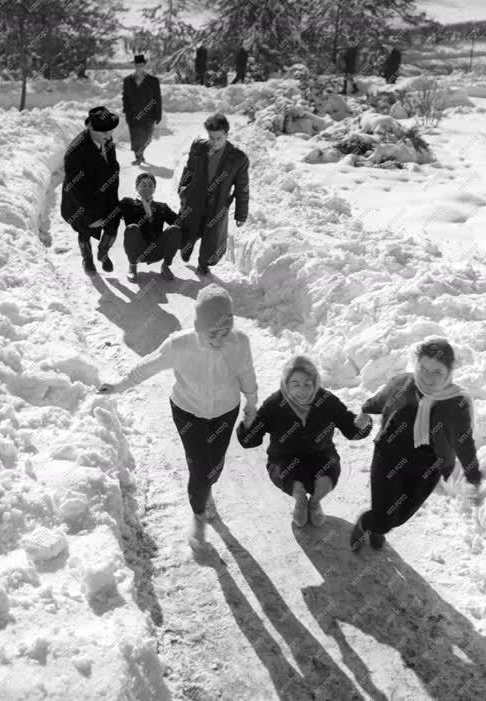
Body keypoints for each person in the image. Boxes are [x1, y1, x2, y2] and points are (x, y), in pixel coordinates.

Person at [98, 284, 258, 548]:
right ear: (199, 327)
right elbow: (147, 365)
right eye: (213, 333)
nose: (220, 339)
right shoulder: (179, 345)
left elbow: (247, 374)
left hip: (225, 413)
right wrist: (119, 386)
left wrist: (251, 403)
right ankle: (198, 520)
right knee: (199, 468)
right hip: (187, 412)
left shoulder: (239, 343)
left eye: (225, 331)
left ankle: (206, 491)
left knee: (214, 468)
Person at [350, 337, 483, 553]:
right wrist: (365, 411)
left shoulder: (455, 403)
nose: (428, 377)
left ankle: (380, 525)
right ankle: (367, 524)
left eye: (437, 372)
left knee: (400, 516)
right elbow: (380, 399)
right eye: (423, 368)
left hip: (427, 468)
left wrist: (473, 476)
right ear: (416, 363)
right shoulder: (401, 384)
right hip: (388, 457)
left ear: (449, 373)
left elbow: (464, 442)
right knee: (383, 517)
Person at [237, 356, 372, 528]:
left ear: (315, 382)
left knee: (326, 476)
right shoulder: (274, 404)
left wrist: (361, 425)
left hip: (321, 455)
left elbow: (350, 429)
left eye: (308, 384)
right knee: (294, 482)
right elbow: (249, 441)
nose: (302, 390)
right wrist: (248, 424)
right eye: (295, 384)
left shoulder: (327, 400)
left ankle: (315, 503)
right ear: (286, 383)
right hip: (284, 459)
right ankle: (300, 500)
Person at [177, 113, 249, 276]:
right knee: (190, 229)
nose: (215, 142)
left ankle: (203, 264)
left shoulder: (238, 158)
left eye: (219, 138)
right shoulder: (199, 147)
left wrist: (241, 214)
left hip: (217, 205)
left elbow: (242, 188)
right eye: (211, 138)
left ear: (227, 134)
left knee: (211, 238)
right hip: (195, 198)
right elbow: (188, 169)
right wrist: (182, 188)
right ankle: (186, 249)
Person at [60, 106, 120, 274]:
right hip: (81, 200)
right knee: (85, 229)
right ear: (91, 128)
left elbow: (111, 166)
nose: (109, 136)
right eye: (104, 133)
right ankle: (87, 259)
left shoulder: (106, 139)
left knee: (113, 222)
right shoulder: (75, 151)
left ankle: (103, 252)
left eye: (110, 132)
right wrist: (94, 214)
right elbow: (77, 189)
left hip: (105, 191)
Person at [118, 172, 182, 283]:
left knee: (174, 229)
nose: (147, 188)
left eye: (150, 185)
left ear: (154, 188)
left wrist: (186, 205)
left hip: (157, 250)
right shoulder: (127, 204)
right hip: (138, 250)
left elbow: (179, 222)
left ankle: (165, 266)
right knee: (132, 228)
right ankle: (132, 266)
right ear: (136, 187)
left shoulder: (162, 207)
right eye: (143, 185)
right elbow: (109, 212)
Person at [122, 54, 162, 165]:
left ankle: (141, 153)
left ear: (144, 65)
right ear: (134, 65)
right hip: (133, 114)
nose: (139, 67)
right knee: (135, 137)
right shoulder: (127, 80)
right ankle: (138, 157)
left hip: (148, 115)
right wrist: (126, 111)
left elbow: (157, 99)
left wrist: (158, 115)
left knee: (147, 138)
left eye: (141, 65)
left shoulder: (153, 81)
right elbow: (125, 97)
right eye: (137, 65)